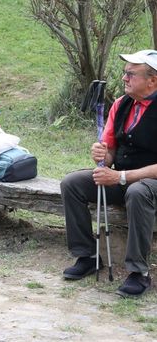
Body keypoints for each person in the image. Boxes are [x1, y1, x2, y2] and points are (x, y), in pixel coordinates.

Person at [61, 50, 157, 298]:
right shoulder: (121, 104)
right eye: (125, 73)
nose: (124, 78)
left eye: (131, 74)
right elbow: (111, 151)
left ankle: (139, 272)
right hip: (123, 177)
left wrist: (121, 177)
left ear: (152, 80)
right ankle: (87, 256)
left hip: (150, 183)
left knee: (138, 192)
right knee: (72, 183)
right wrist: (103, 155)